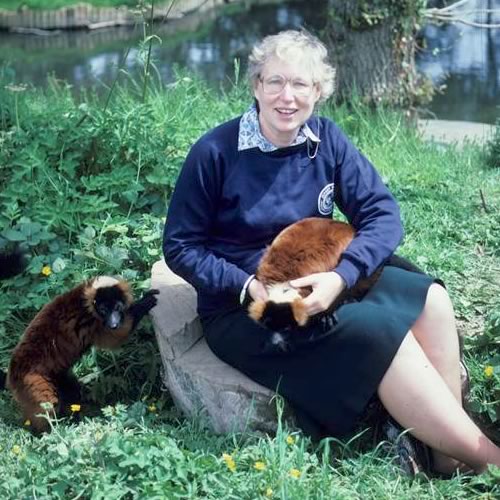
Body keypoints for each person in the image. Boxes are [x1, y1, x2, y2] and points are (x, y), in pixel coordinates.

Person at [163, 30, 500, 476]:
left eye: (301, 84)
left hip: (326, 276)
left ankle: (445, 452)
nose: (287, 96)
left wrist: (342, 277)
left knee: (431, 300)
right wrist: (247, 286)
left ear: (318, 91)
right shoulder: (215, 152)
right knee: (374, 330)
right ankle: (489, 460)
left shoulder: (326, 139)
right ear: (256, 87)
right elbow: (180, 246)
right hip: (248, 307)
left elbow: (383, 214)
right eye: (275, 82)